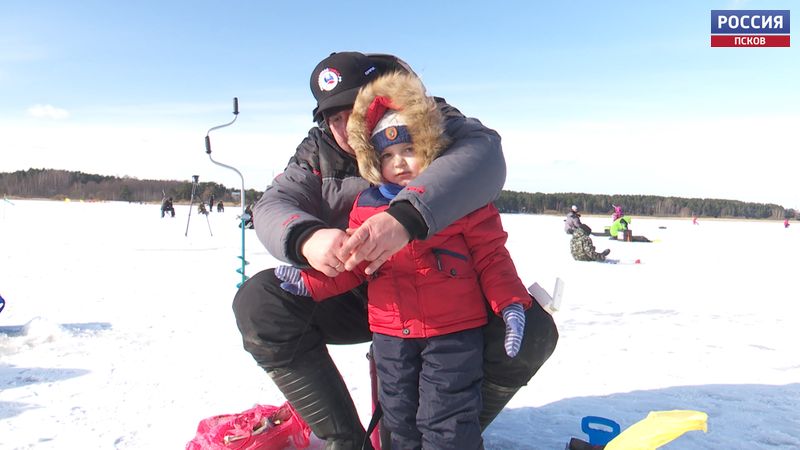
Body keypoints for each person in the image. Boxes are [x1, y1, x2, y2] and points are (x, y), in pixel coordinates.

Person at [232, 52, 558, 450]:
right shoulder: (316, 151)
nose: (346, 127)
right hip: (359, 287)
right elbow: (273, 203)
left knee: (529, 330)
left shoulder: (429, 117)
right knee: (260, 303)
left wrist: (407, 217)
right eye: (334, 118)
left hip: (446, 295)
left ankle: (453, 430)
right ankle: (347, 441)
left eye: (355, 110)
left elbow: (483, 155)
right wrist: (306, 238)